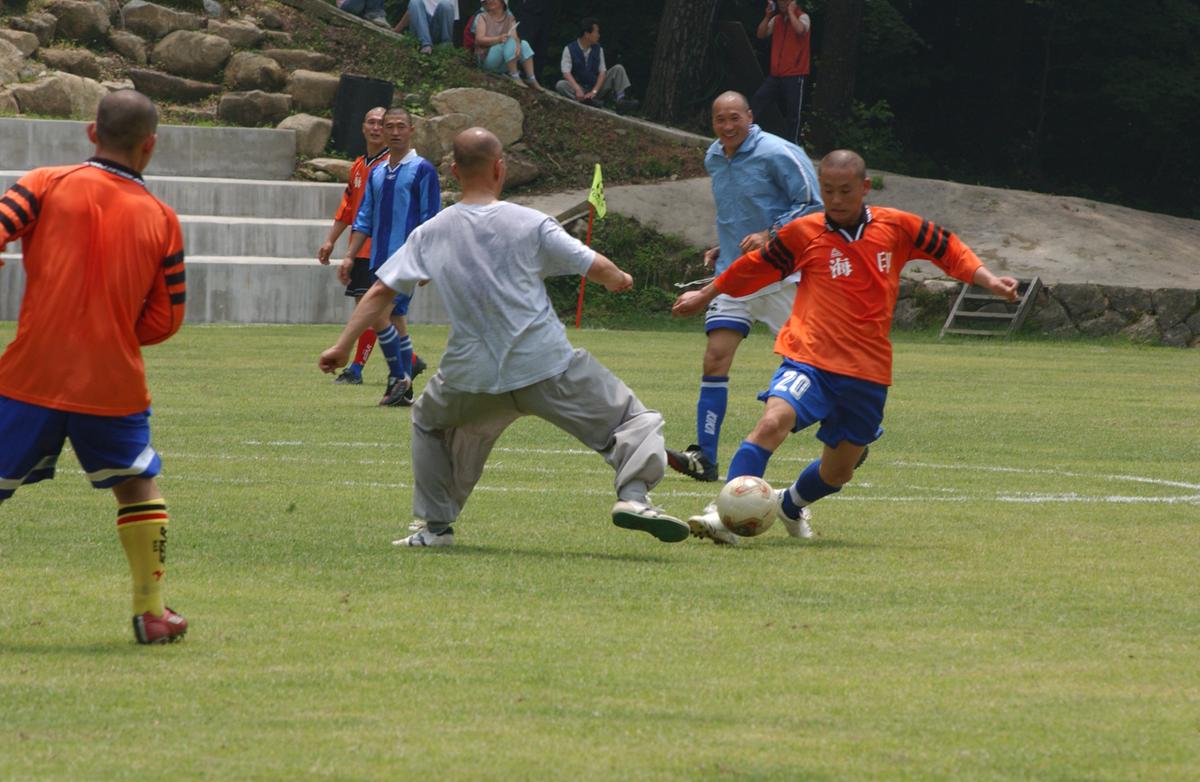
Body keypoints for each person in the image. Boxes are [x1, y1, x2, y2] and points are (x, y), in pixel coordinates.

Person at [318, 128, 688, 548]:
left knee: (427, 421)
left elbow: (381, 292)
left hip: (469, 377)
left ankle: (436, 529)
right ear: (500, 168)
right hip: (544, 364)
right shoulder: (529, 222)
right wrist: (620, 279)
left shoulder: (430, 233)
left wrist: (342, 346)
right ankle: (635, 497)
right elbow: (595, 265)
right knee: (631, 420)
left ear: (454, 171)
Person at [672, 149, 1019, 545]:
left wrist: (989, 280)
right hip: (810, 358)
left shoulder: (897, 227)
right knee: (771, 423)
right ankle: (723, 513)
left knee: (838, 472)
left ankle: (790, 505)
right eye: (828, 191)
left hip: (867, 371)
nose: (836, 201)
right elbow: (752, 267)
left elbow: (948, 249)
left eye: (845, 191)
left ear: (865, 187)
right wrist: (705, 294)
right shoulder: (805, 232)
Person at [0, 89, 189, 643]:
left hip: (30, 373)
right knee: (138, 486)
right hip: (112, 383)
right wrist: (109, 332)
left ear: (91, 132)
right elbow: (166, 319)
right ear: (149, 145)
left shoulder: (42, 183)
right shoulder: (162, 218)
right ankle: (151, 613)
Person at [665, 91, 821, 513]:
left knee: (812, 359)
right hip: (733, 275)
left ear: (750, 117)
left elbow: (812, 205)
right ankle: (705, 457)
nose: (728, 126)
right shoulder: (715, 156)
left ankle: (843, 431)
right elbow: (739, 210)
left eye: (735, 118)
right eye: (720, 119)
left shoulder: (779, 153)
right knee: (715, 358)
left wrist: (772, 234)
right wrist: (724, 246)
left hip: (780, 276)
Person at [341, 106, 440, 407]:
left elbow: (431, 219)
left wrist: (428, 262)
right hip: (377, 260)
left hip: (407, 259)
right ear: (382, 131)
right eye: (390, 127)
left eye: (401, 126)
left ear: (411, 130)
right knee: (393, 318)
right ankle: (402, 386)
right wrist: (349, 256)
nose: (395, 132)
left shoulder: (423, 169)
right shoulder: (377, 172)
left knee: (377, 314)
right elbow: (364, 218)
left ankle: (399, 376)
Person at [318, 107, 388, 386]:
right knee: (377, 313)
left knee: (369, 310)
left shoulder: (389, 167)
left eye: (382, 123)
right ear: (362, 127)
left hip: (378, 249)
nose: (376, 128)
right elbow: (348, 208)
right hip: (358, 248)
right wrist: (330, 240)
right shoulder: (359, 165)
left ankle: (357, 367)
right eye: (371, 122)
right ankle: (409, 360)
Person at [751, 0, 811, 144]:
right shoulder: (776, 20)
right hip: (776, 74)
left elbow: (801, 30)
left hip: (795, 74)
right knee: (758, 99)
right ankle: (745, 132)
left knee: (792, 112)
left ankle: (793, 143)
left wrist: (791, 12)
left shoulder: (803, 17)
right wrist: (767, 16)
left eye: (785, 1)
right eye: (780, 1)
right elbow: (761, 34)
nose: (782, 4)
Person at [555, 17, 637, 112]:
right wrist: (577, 89)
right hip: (579, 88)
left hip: (596, 87)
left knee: (618, 68)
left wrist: (594, 91)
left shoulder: (598, 49)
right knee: (560, 85)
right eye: (596, 32)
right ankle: (586, 100)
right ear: (587, 34)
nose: (598, 35)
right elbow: (566, 73)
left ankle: (620, 101)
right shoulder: (569, 49)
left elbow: (602, 73)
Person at [473, 0, 540, 89]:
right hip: (487, 58)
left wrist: (518, 44)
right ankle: (514, 76)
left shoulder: (510, 17)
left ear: (502, 2)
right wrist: (498, 39)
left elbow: (514, 37)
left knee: (523, 43)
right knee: (509, 40)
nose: (490, 1)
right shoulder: (482, 17)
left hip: (505, 60)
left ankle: (532, 78)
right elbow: (479, 39)